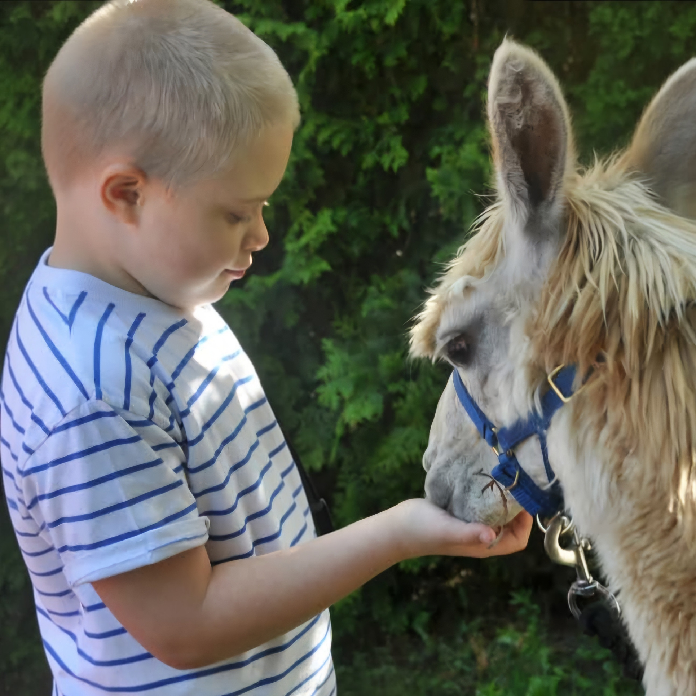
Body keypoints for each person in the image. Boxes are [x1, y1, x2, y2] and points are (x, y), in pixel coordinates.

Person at [0, 1, 533, 694]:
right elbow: (186, 624)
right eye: (236, 212)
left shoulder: (163, 297)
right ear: (127, 195)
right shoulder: (92, 391)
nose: (261, 237)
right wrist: (398, 534)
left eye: (264, 208)